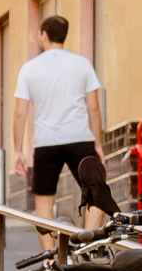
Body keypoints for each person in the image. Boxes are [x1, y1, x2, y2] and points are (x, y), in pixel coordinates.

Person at [12, 15, 117, 241]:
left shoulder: (29, 68)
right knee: (95, 191)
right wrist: (97, 143)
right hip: (80, 137)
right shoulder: (82, 64)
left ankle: (49, 258)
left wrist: (17, 150)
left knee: (44, 199)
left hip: (45, 142)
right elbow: (94, 108)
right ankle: (87, 247)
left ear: (44, 35)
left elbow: (20, 112)